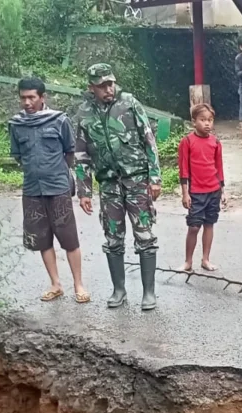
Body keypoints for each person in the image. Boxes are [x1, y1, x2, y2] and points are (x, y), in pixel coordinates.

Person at [73, 64, 164, 311]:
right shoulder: (84, 114)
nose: (108, 89)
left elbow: (149, 141)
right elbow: (80, 155)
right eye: (102, 85)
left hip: (136, 181)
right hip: (109, 185)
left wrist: (155, 178)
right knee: (113, 238)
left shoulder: (129, 103)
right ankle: (119, 290)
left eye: (110, 83)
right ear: (91, 87)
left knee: (145, 236)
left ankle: (149, 292)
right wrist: (84, 192)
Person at [9, 77, 88, 304]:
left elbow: (69, 151)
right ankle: (55, 284)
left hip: (58, 187)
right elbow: (17, 155)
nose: (27, 102)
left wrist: (58, 172)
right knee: (42, 239)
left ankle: (78, 285)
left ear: (42, 98)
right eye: (23, 97)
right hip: (32, 189)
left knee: (69, 238)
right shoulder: (16, 124)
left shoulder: (59, 120)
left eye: (31, 97)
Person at [179, 104, 226, 273]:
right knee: (193, 226)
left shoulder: (216, 142)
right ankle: (188, 261)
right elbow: (184, 169)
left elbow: (219, 167)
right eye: (203, 120)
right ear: (194, 122)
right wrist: (185, 193)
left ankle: (206, 259)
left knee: (209, 224)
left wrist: (222, 191)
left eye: (210, 120)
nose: (207, 124)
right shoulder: (187, 142)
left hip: (213, 190)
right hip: (196, 192)